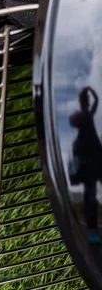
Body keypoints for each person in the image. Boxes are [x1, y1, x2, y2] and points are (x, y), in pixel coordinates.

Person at [70, 87, 102, 243]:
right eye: (85, 100)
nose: (87, 102)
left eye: (87, 100)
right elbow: (73, 121)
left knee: (92, 193)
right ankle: (92, 228)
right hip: (87, 160)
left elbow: (97, 100)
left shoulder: (89, 112)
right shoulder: (80, 115)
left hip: (96, 156)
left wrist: (90, 90)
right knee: (90, 195)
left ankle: (93, 227)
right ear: (82, 101)